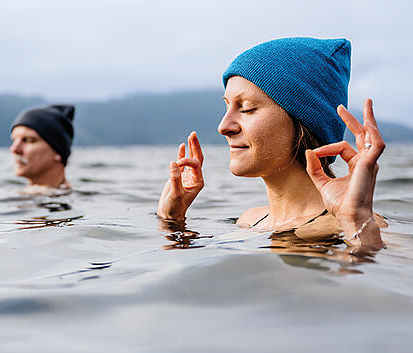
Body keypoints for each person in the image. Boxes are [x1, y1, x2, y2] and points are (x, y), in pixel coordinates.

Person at [157, 38, 385, 252]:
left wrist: (356, 221)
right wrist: (172, 219)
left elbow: (379, 286)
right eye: (227, 106)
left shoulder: (364, 226)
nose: (223, 126)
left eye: (246, 108)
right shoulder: (249, 221)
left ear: (303, 120)